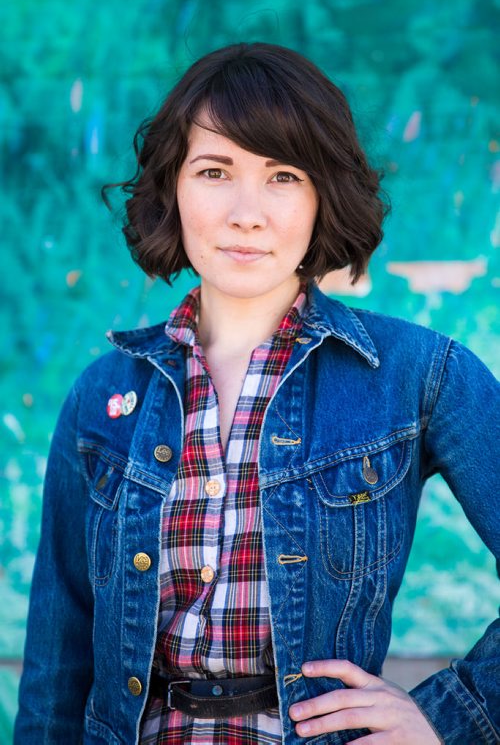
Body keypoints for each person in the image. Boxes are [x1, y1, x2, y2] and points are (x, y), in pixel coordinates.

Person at [15, 42, 499, 745]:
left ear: (321, 193)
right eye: (215, 171)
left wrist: (448, 717)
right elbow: (57, 670)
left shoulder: (419, 374)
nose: (247, 212)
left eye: (283, 175)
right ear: (174, 187)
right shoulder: (102, 398)